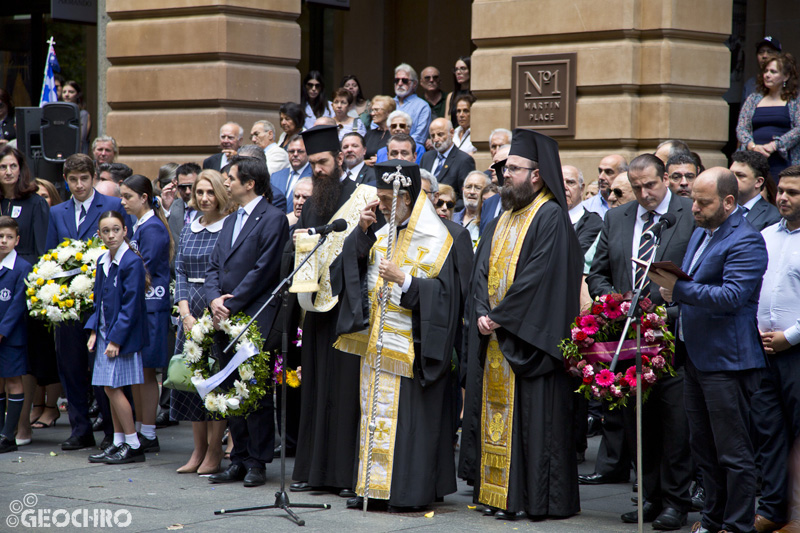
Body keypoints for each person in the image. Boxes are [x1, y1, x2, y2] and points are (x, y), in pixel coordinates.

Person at [460, 129, 582, 520]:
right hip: (496, 334)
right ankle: (498, 496)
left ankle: (529, 499)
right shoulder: (503, 215)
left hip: (527, 341)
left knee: (532, 421)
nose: (504, 174)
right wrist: (481, 310)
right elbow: (481, 271)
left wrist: (499, 317)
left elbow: (539, 278)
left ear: (537, 174)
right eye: (503, 167)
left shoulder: (549, 216)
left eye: (513, 167)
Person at [648, 168, 768, 533]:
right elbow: (693, 279)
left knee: (733, 453)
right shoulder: (702, 231)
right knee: (703, 449)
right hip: (696, 355)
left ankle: (737, 525)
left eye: (703, 202)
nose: (694, 208)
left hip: (727, 362)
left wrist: (679, 291)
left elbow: (732, 296)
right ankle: (712, 520)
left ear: (729, 202)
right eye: (693, 201)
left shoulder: (746, 240)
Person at [335, 159, 459, 511]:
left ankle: (400, 492)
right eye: (381, 197)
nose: (382, 204)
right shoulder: (381, 231)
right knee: (372, 416)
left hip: (409, 348)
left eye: (388, 199)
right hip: (377, 343)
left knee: (404, 427)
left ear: (408, 198)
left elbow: (447, 298)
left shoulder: (437, 239)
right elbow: (353, 271)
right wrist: (361, 233)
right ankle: (370, 488)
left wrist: (405, 280)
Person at [586, 154, 695, 530]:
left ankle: (676, 502)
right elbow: (597, 272)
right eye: (636, 187)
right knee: (638, 421)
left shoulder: (688, 212)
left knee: (674, 423)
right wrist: (612, 302)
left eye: (650, 185)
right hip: (627, 338)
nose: (645, 193)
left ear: (665, 177)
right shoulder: (618, 217)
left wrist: (668, 307)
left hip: (671, 337)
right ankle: (650, 496)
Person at [288, 125, 378, 497]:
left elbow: (373, 250)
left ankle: (343, 474)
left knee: (343, 393)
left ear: (340, 158)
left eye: (323, 162)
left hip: (349, 309)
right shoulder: (311, 204)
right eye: (313, 164)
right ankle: (314, 470)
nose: (319, 170)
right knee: (316, 390)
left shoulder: (365, 198)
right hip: (316, 311)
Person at [205, 156, 289, 487]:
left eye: (231, 178)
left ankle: (257, 460)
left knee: (254, 389)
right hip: (224, 317)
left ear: (250, 183)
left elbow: (265, 269)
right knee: (230, 386)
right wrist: (214, 299)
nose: (226, 183)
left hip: (255, 315)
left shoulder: (273, 218)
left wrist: (232, 302)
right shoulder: (230, 219)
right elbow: (215, 265)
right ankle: (238, 457)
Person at [46, 153, 132, 451]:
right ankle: (80, 429)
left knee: (105, 369)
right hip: (68, 305)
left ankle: (112, 431)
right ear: (66, 182)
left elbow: (125, 249)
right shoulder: (57, 212)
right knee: (71, 366)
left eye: (84, 179)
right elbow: (50, 257)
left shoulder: (111, 206)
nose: (79, 185)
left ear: (94, 178)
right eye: (73, 180)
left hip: (104, 303)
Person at [170, 169, 230, 474]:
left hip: (214, 312)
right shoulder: (190, 226)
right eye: (200, 192)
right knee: (191, 382)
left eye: (210, 192)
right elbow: (179, 269)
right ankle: (197, 451)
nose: (204, 198)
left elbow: (225, 273)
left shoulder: (227, 227)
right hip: (189, 313)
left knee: (214, 384)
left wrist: (209, 315)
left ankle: (214, 451)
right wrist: (185, 313)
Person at [751, 165, 800, 533]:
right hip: (764, 351)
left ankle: (798, 516)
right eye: (780, 190)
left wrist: (791, 336)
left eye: (792, 193)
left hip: (795, 350)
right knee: (769, 432)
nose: (782, 197)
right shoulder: (766, 235)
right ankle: (772, 510)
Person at [85, 211, 149, 464]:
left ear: (125, 231)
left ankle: (133, 444)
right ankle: (118, 441)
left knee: (112, 388)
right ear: (99, 234)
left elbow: (131, 305)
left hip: (120, 337)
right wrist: (93, 331)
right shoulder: (103, 259)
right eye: (105, 231)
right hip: (104, 333)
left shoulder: (131, 262)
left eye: (115, 230)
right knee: (110, 388)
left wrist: (115, 339)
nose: (111, 235)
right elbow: (98, 299)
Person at [0, 147, 51, 444]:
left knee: (22, 362)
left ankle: (22, 426)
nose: (7, 172)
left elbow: (43, 249)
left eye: (12, 166)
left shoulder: (34, 203)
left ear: (21, 169)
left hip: (24, 284)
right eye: (2, 166)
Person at [119, 175, 173, 453]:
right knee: (140, 371)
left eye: (128, 196)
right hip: (144, 306)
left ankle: (149, 432)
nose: (123, 201)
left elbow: (144, 269)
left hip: (151, 306)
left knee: (147, 371)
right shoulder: (141, 225)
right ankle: (142, 429)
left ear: (143, 197)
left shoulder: (151, 228)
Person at [737, 52, 800, 179]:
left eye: (773, 71)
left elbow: (798, 129)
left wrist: (775, 145)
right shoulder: (753, 99)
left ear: (786, 76)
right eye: (766, 71)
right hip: (753, 161)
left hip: (782, 162)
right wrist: (753, 146)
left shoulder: (794, 100)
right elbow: (741, 128)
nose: (767, 75)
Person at [0, 217, 33, 453]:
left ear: (17, 240)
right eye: (0, 237)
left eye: (9, 237)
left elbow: (18, 304)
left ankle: (8, 435)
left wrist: (2, 332)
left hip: (11, 337)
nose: (4, 241)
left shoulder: (22, 268)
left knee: (13, 381)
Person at [420, 118, 476, 201]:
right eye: (432, 136)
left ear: (452, 133)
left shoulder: (464, 160)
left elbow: (464, 198)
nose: (436, 139)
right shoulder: (426, 157)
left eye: (440, 134)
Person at [730, 150, 781, 231]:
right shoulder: (721, 208)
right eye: (731, 174)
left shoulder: (772, 217)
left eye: (740, 175)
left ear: (758, 182)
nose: (732, 179)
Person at [562, 165, 602, 254]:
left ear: (582, 188)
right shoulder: (544, 218)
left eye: (570, 182)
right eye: (559, 182)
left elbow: (577, 256)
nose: (564, 187)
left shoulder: (593, 223)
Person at [271, 135, 312, 214]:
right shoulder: (275, 176)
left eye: (300, 151)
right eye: (291, 151)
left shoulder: (315, 176)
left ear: (307, 152)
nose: (295, 154)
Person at [392, 63, 431, 146]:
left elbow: (419, 138)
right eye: (396, 80)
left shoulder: (422, 106)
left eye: (404, 80)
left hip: (410, 152)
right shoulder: (388, 103)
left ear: (414, 84)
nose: (399, 83)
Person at [165, 162, 201, 247]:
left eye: (191, 186)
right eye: (183, 187)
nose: (187, 191)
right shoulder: (171, 207)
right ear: (176, 185)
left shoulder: (210, 209)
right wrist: (166, 208)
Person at [453, 170, 488, 248]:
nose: (472, 192)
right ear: (463, 190)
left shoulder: (488, 221)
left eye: (478, 188)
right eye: (468, 187)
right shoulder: (452, 218)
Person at [743, 36, 782, 103]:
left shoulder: (786, 83)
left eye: (769, 52)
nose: (764, 56)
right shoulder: (750, 84)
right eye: (761, 52)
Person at [61, 81, 91, 154]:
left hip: (78, 156)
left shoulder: (83, 114)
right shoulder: (60, 114)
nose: (66, 95)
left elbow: (81, 139)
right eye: (64, 92)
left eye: (71, 92)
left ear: (78, 94)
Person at [364, 95, 395, 161]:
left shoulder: (395, 133)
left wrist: (381, 160)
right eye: (372, 110)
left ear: (389, 112)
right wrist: (366, 162)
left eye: (376, 110)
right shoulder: (370, 134)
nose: (372, 113)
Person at [445, 56, 473, 127]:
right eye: (456, 69)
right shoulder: (451, 96)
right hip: (455, 135)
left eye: (463, 68)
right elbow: (447, 122)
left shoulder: (477, 94)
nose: (458, 72)